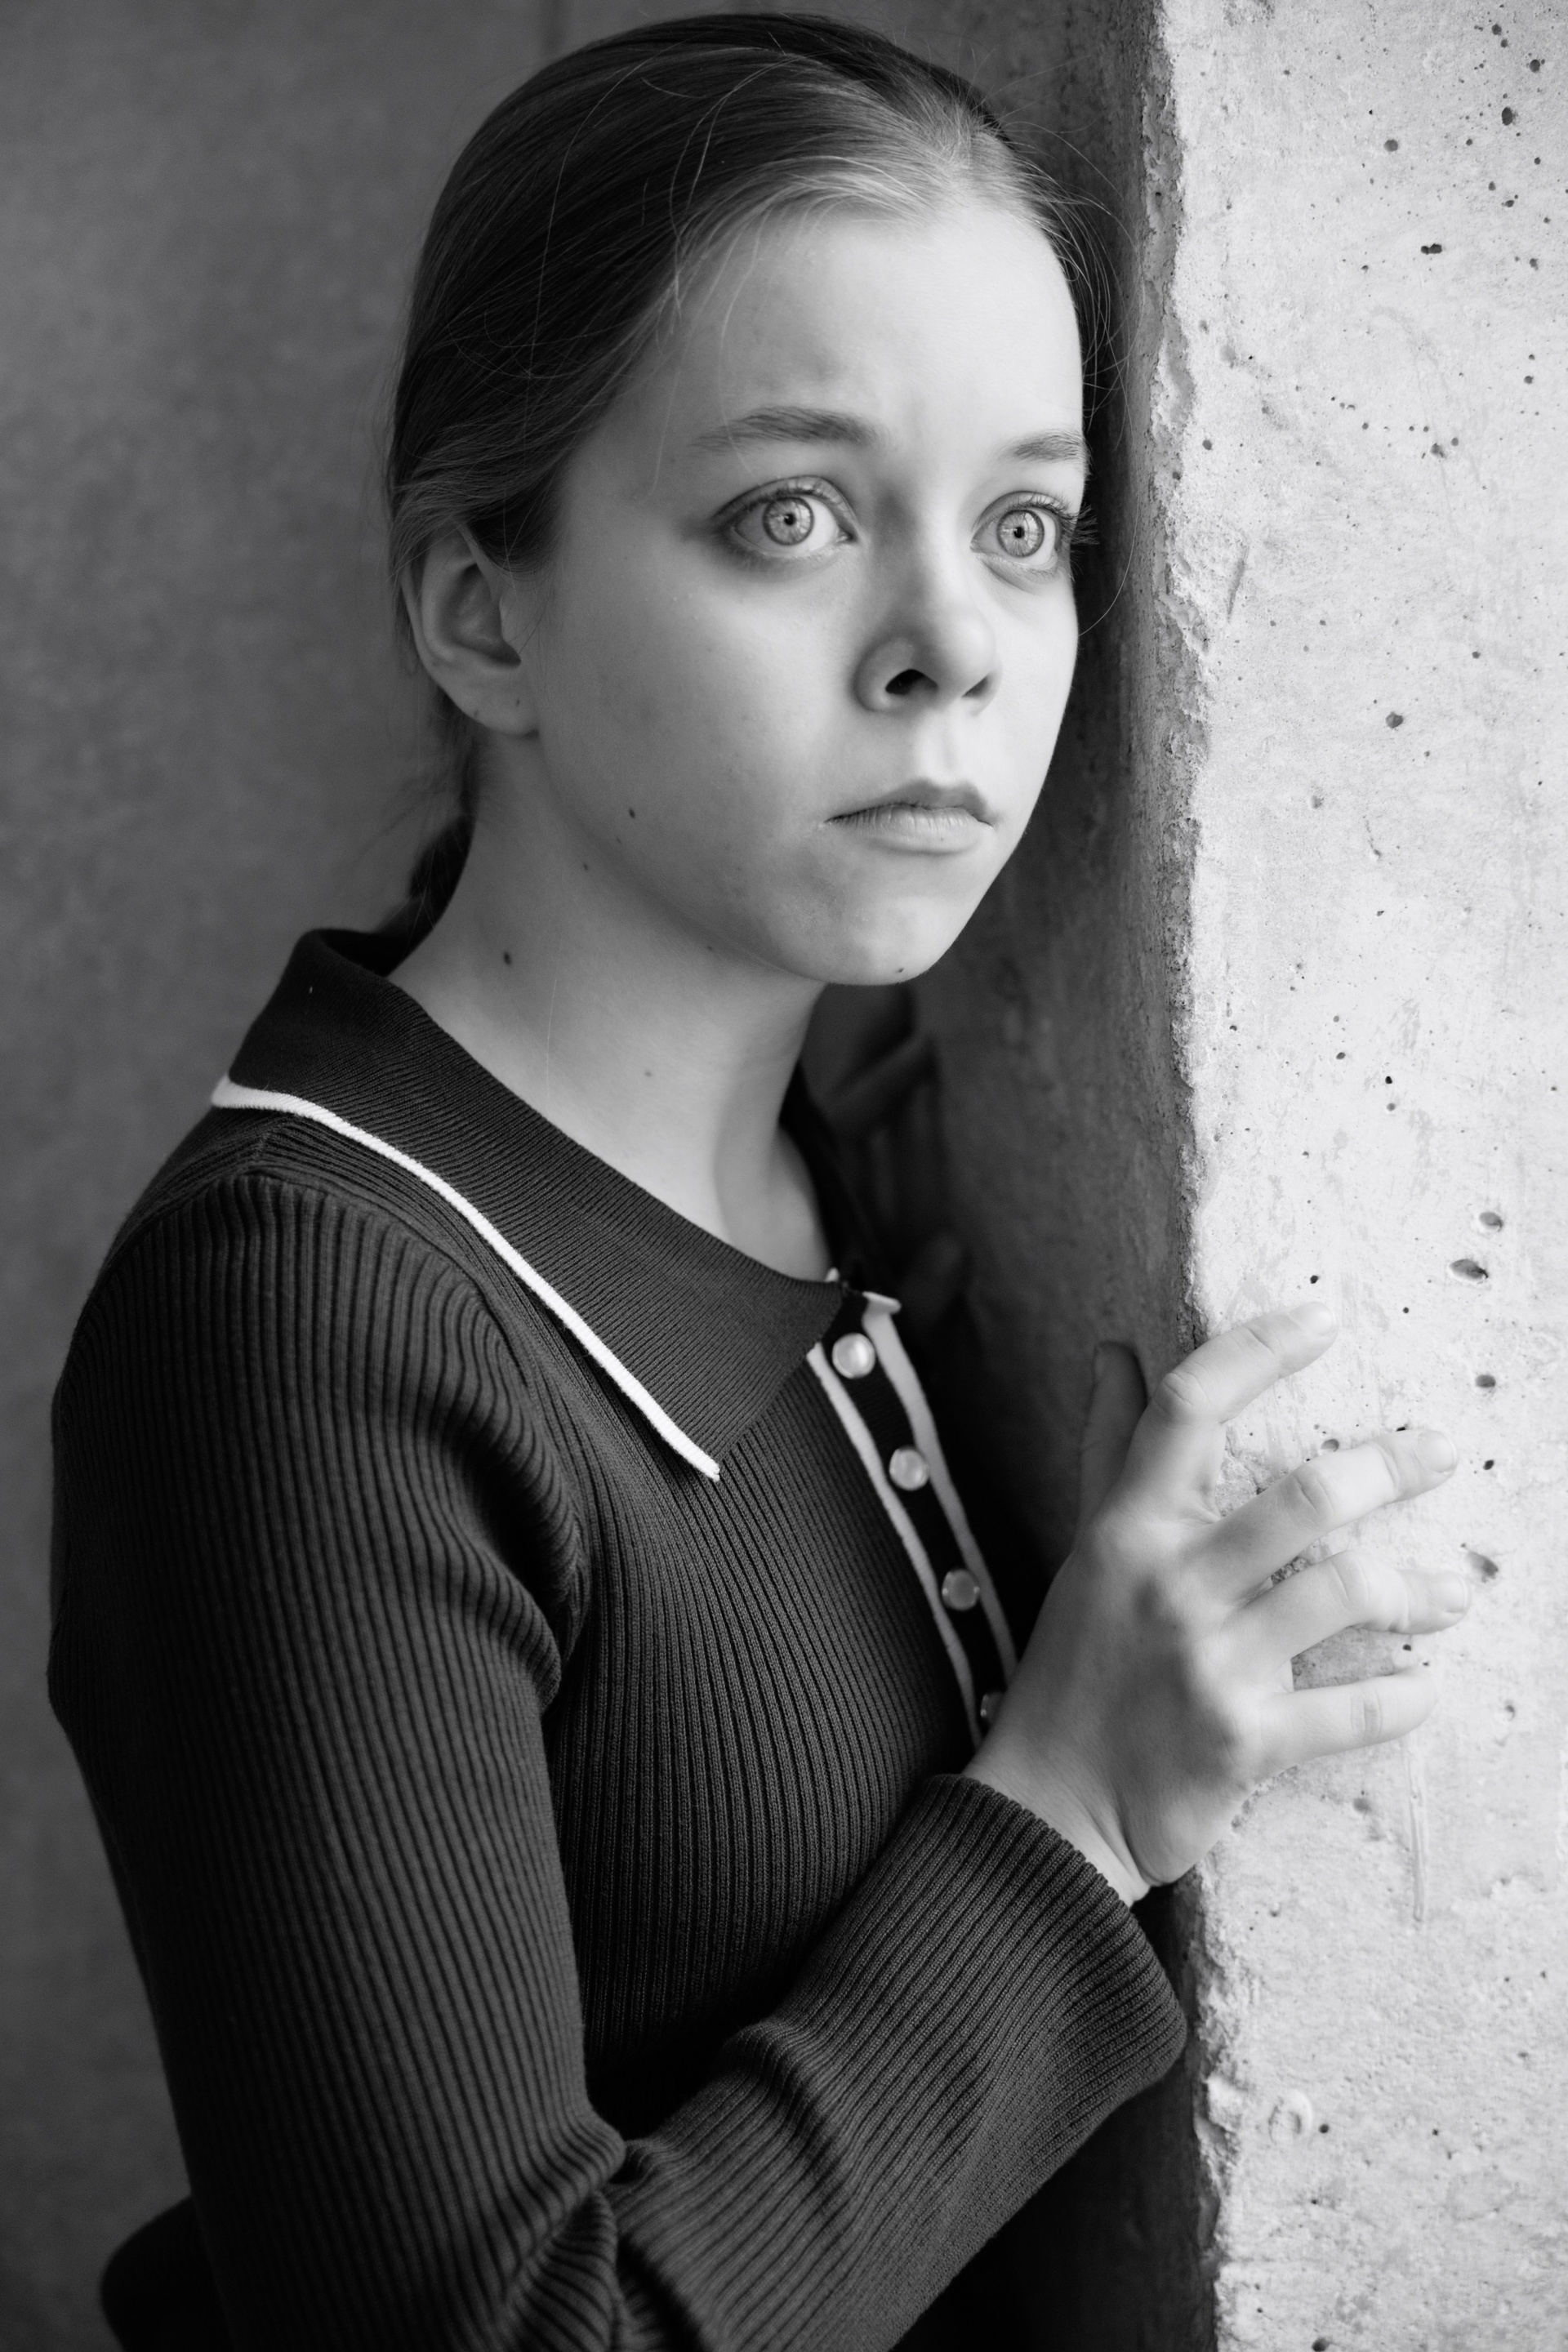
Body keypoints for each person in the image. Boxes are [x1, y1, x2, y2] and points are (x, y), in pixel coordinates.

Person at [48, 16, 1469, 2350]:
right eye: (790, 515)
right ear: (478, 608)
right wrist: (1075, 1817)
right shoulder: (302, 1323)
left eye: (1025, 524)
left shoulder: (853, 1163)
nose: (955, 647)